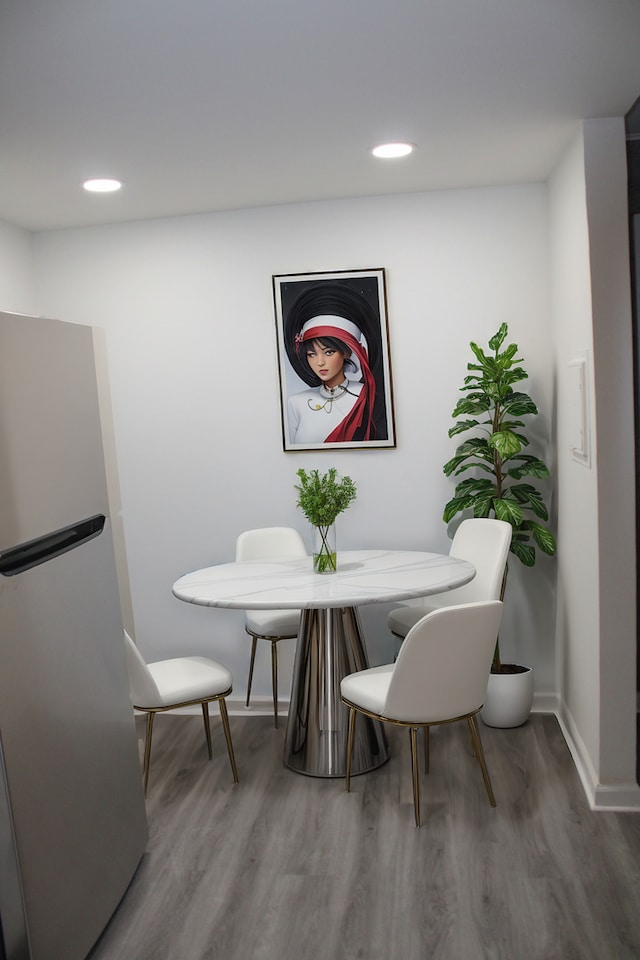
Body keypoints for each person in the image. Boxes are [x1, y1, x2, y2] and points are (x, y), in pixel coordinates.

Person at [283, 282, 386, 445]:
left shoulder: (369, 397)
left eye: (329, 352)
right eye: (311, 354)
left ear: (346, 352)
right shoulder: (296, 403)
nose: (320, 362)